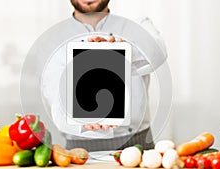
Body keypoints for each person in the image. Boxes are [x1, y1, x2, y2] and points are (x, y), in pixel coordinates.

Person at [40, 0, 168, 151]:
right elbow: (54, 97)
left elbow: (157, 51)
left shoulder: (136, 23)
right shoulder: (53, 40)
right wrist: (79, 121)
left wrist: (120, 51)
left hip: (137, 144)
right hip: (80, 150)